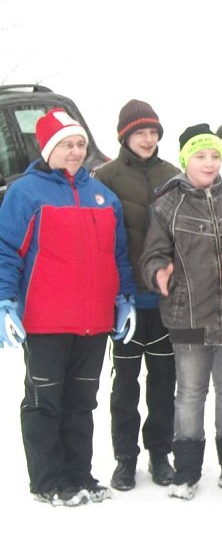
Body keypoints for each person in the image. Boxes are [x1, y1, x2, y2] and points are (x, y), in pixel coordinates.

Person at [0, 108, 136, 506]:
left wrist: (124, 298)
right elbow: (7, 252)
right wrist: (6, 300)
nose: (75, 152)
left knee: (82, 402)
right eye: (66, 145)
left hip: (93, 320)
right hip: (45, 321)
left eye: (79, 144)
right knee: (45, 401)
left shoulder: (103, 196)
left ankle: (80, 474)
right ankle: (48, 480)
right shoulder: (25, 194)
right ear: (48, 149)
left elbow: (119, 255)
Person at [140, 124, 222, 501]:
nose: (209, 163)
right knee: (190, 394)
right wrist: (158, 273)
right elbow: (152, 254)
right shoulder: (166, 206)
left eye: (214, 155)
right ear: (185, 161)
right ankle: (188, 470)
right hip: (188, 316)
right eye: (200, 156)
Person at [94, 99, 181, 491]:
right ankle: (125, 458)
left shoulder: (173, 175)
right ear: (124, 136)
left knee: (164, 381)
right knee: (125, 383)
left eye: (153, 132)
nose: (148, 139)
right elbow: (101, 242)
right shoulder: (105, 177)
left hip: (164, 300)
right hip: (125, 301)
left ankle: (160, 454)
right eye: (140, 132)